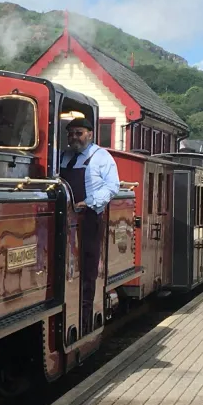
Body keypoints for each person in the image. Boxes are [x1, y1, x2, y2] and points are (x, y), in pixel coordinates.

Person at [59, 117, 121, 333]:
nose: (74, 137)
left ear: (90, 134)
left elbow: (112, 186)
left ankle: (85, 319)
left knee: (88, 269)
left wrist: (91, 202)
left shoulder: (101, 157)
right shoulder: (64, 157)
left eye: (79, 133)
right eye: (71, 133)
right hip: (66, 219)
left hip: (89, 219)